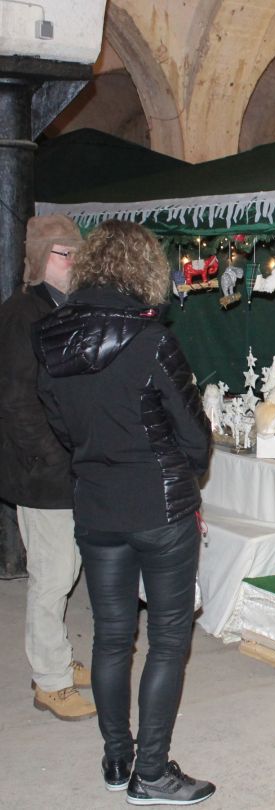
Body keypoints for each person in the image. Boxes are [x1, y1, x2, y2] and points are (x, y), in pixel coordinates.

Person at [32, 220, 215, 805]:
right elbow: (195, 436)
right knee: (167, 639)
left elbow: (61, 427)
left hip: (96, 506)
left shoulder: (50, 338)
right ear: (143, 269)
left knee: (111, 638)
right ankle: (151, 772)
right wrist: (181, 467)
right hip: (160, 506)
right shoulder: (150, 337)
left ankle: (118, 759)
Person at [0, 214, 96, 721]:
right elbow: (16, 401)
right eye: (65, 253)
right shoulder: (22, 315)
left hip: (68, 464)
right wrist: (50, 457)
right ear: (41, 259)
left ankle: (56, 656)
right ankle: (50, 680)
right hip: (43, 472)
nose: (74, 261)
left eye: (77, 252)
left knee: (66, 568)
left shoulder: (62, 308)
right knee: (52, 575)